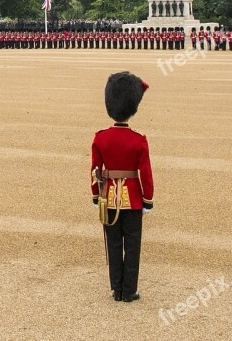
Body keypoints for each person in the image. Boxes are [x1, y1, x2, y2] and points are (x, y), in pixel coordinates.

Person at [91, 72, 154, 303]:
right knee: (133, 245)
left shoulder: (101, 138)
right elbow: (145, 174)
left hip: (109, 197)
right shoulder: (138, 140)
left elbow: (95, 170)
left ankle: (115, 289)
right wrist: (148, 199)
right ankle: (129, 290)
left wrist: (96, 195)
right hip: (134, 199)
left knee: (114, 244)